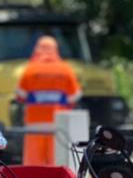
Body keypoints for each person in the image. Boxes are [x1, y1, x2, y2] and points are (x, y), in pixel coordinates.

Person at [15, 36, 82, 166]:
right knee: (57, 161)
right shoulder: (65, 69)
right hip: (59, 124)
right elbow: (75, 96)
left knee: (34, 163)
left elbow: (20, 95)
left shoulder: (30, 69)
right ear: (56, 49)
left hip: (35, 124)